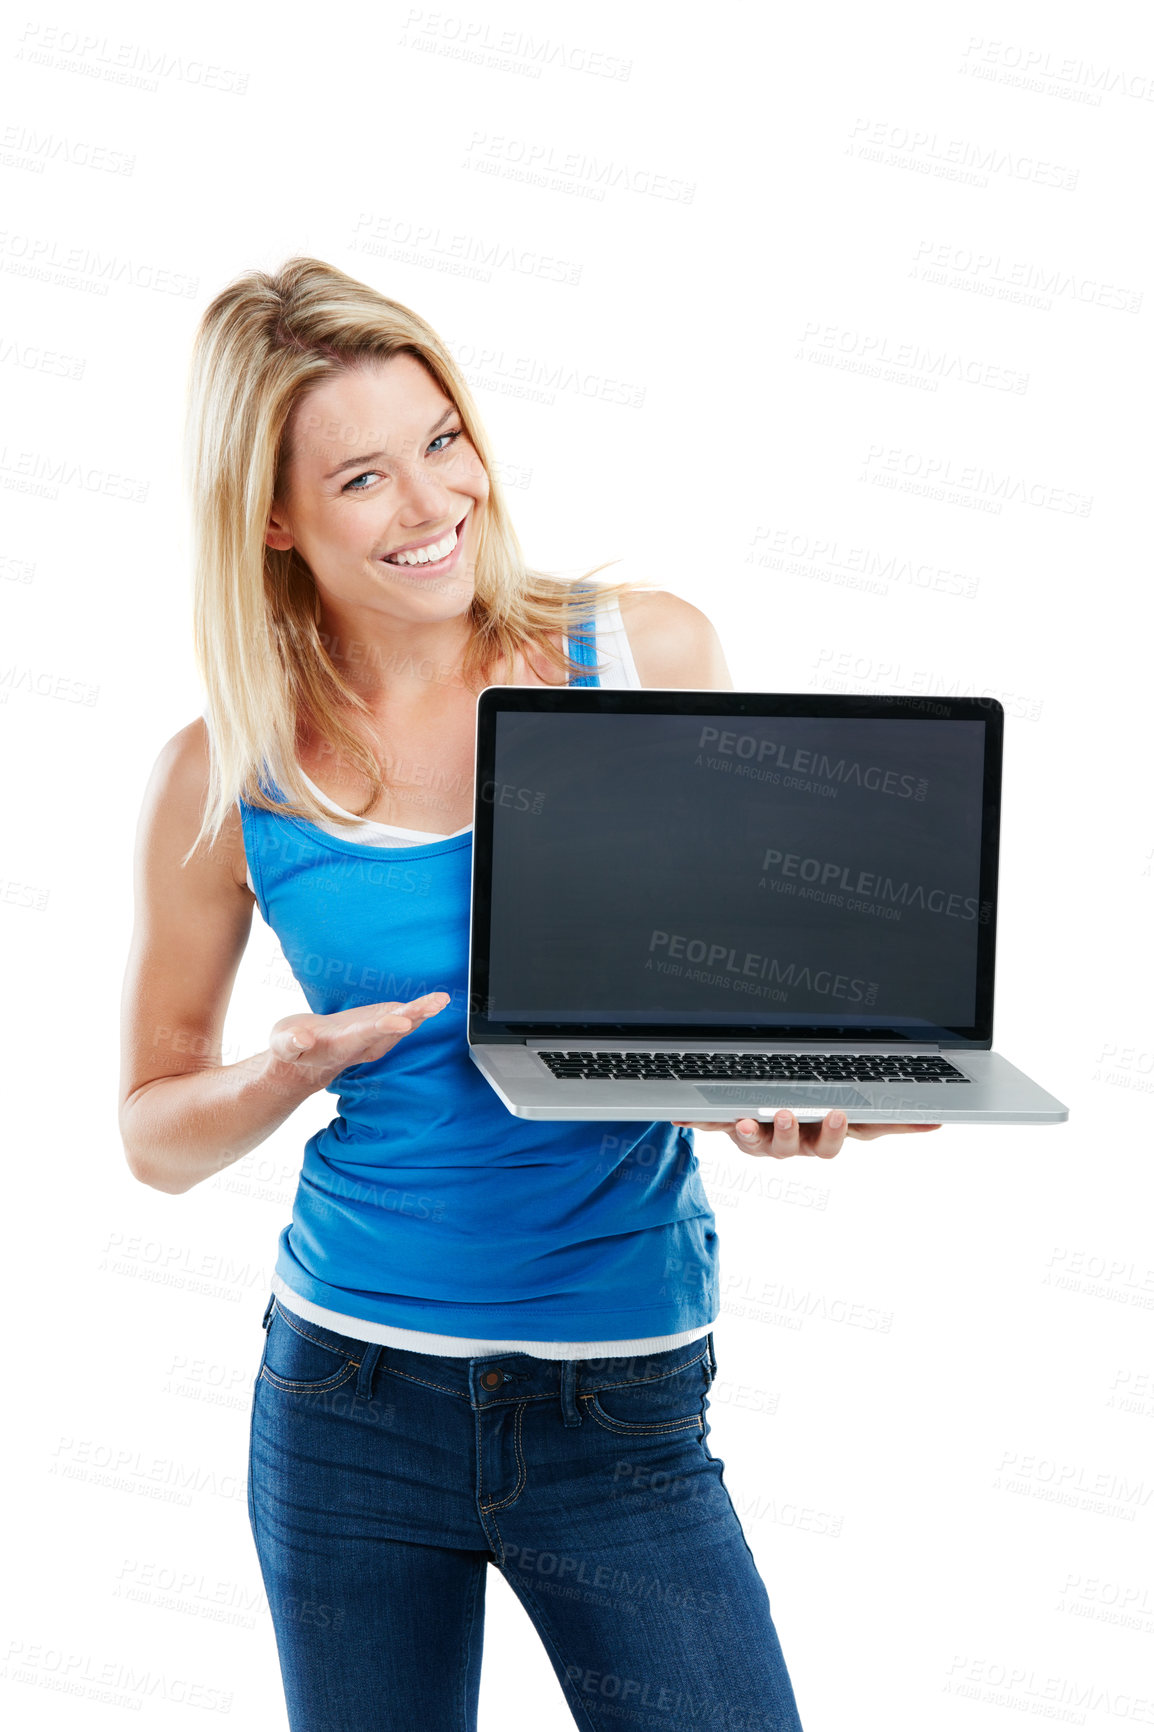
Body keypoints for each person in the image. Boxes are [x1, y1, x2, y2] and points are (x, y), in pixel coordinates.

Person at [118, 256, 939, 1732]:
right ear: (273, 517)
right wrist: (278, 1072)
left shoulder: (642, 656)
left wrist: (804, 1092)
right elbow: (152, 1134)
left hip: (617, 1407)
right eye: (363, 477)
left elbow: (743, 997)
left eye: (443, 442)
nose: (434, 504)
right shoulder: (225, 774)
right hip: (344, 1402)